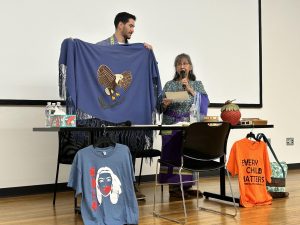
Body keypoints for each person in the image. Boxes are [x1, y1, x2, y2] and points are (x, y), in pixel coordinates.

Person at [95, 12, 153, 200]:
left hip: (130, 112)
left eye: (134, 27)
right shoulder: (102, 47)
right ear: (120, 25)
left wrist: (148, 52)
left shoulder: (136, 51)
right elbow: (88, 59)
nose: (133, 30)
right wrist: (75, 46)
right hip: (109, 111)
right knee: (112, 149)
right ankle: (109, 186)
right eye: (130, 26)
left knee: (131, 148)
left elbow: (144, 74)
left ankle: (130, 185)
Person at [157, 53, 209, 198]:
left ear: (190, 67)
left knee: (188, 155)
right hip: (171, 124)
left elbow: (205, 103)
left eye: (185, 63)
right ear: (176, 68)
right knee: (172, 155)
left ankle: (187, 186)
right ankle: (174, 188)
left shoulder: (197, 84)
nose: (182, 66)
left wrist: (190, 90)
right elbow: (159, 107)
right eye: (179, 63)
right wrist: (164, 104)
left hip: (188, 125)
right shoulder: (169, 84)